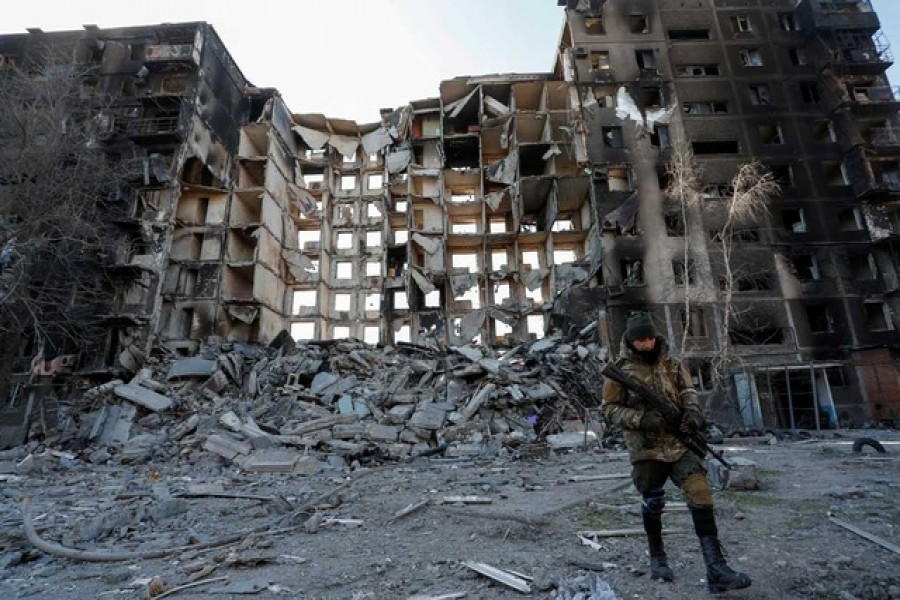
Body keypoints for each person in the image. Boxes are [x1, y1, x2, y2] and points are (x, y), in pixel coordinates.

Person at [601, 312, 751, 594]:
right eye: (640, 339)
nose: (646, 343)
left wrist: (693, 413)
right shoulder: (620, 371)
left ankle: (716, 568)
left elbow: (687, 391)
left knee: (700, 492)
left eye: (649, 337)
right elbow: (608, 411)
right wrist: (641, 420)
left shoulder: (671, 362)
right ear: (631, 341)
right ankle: (658, 557)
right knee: (653, 502)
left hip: (680, 443)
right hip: (646, 449)